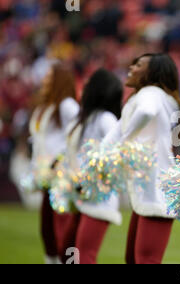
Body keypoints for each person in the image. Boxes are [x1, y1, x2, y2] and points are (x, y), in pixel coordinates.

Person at [102, 53, 180, 264]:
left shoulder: (151, 93)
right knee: (134, 259)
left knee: (145, 260)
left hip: (155, 191)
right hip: (150, 189)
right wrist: (99, 158)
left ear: (153, 73)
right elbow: (117, 130)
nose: (132, 67)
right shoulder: (153, 95)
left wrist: (125, 143)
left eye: (139, 64)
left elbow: (146, 112)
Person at [59, 68, 123, 264]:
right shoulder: (84, 117)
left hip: (99, 197)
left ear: (97, 89)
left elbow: (116, 155)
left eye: (88, 83)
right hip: (80, 194)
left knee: (84, 255)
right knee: (67, 251)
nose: (83, 86)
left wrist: (92, 178)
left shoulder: (106, 119)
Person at [28, 63, 79, 264]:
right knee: (47, 230)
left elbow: (78, 134)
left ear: (59, 80)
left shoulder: (68, 105)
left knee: (63, 229)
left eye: (49, 76)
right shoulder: (46, 107)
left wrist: (60, 159)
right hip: (46, 175)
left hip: (62, 176)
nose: (44, 80)